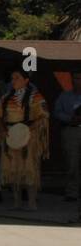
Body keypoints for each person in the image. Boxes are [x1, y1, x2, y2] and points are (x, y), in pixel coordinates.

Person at [0, 70, 49, 210]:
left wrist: (27, 129)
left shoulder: (35, 97)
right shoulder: (5, 97)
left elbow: (43, 115)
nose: (13, 81)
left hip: (29, 137)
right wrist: (2, 129)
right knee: (13, 169)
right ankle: (16, 202)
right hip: (10, 137)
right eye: (12, 78)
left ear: (26, 80)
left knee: (29, 169)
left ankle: (32, 202)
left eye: (17, 78)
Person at [52, 70, 81, 202]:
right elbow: (57, 112)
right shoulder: (65, 96)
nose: (78, 81)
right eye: (75, 78)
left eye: (80, 78)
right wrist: (70, 118)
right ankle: (72, 192)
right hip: (71, 131)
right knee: (72, 162)